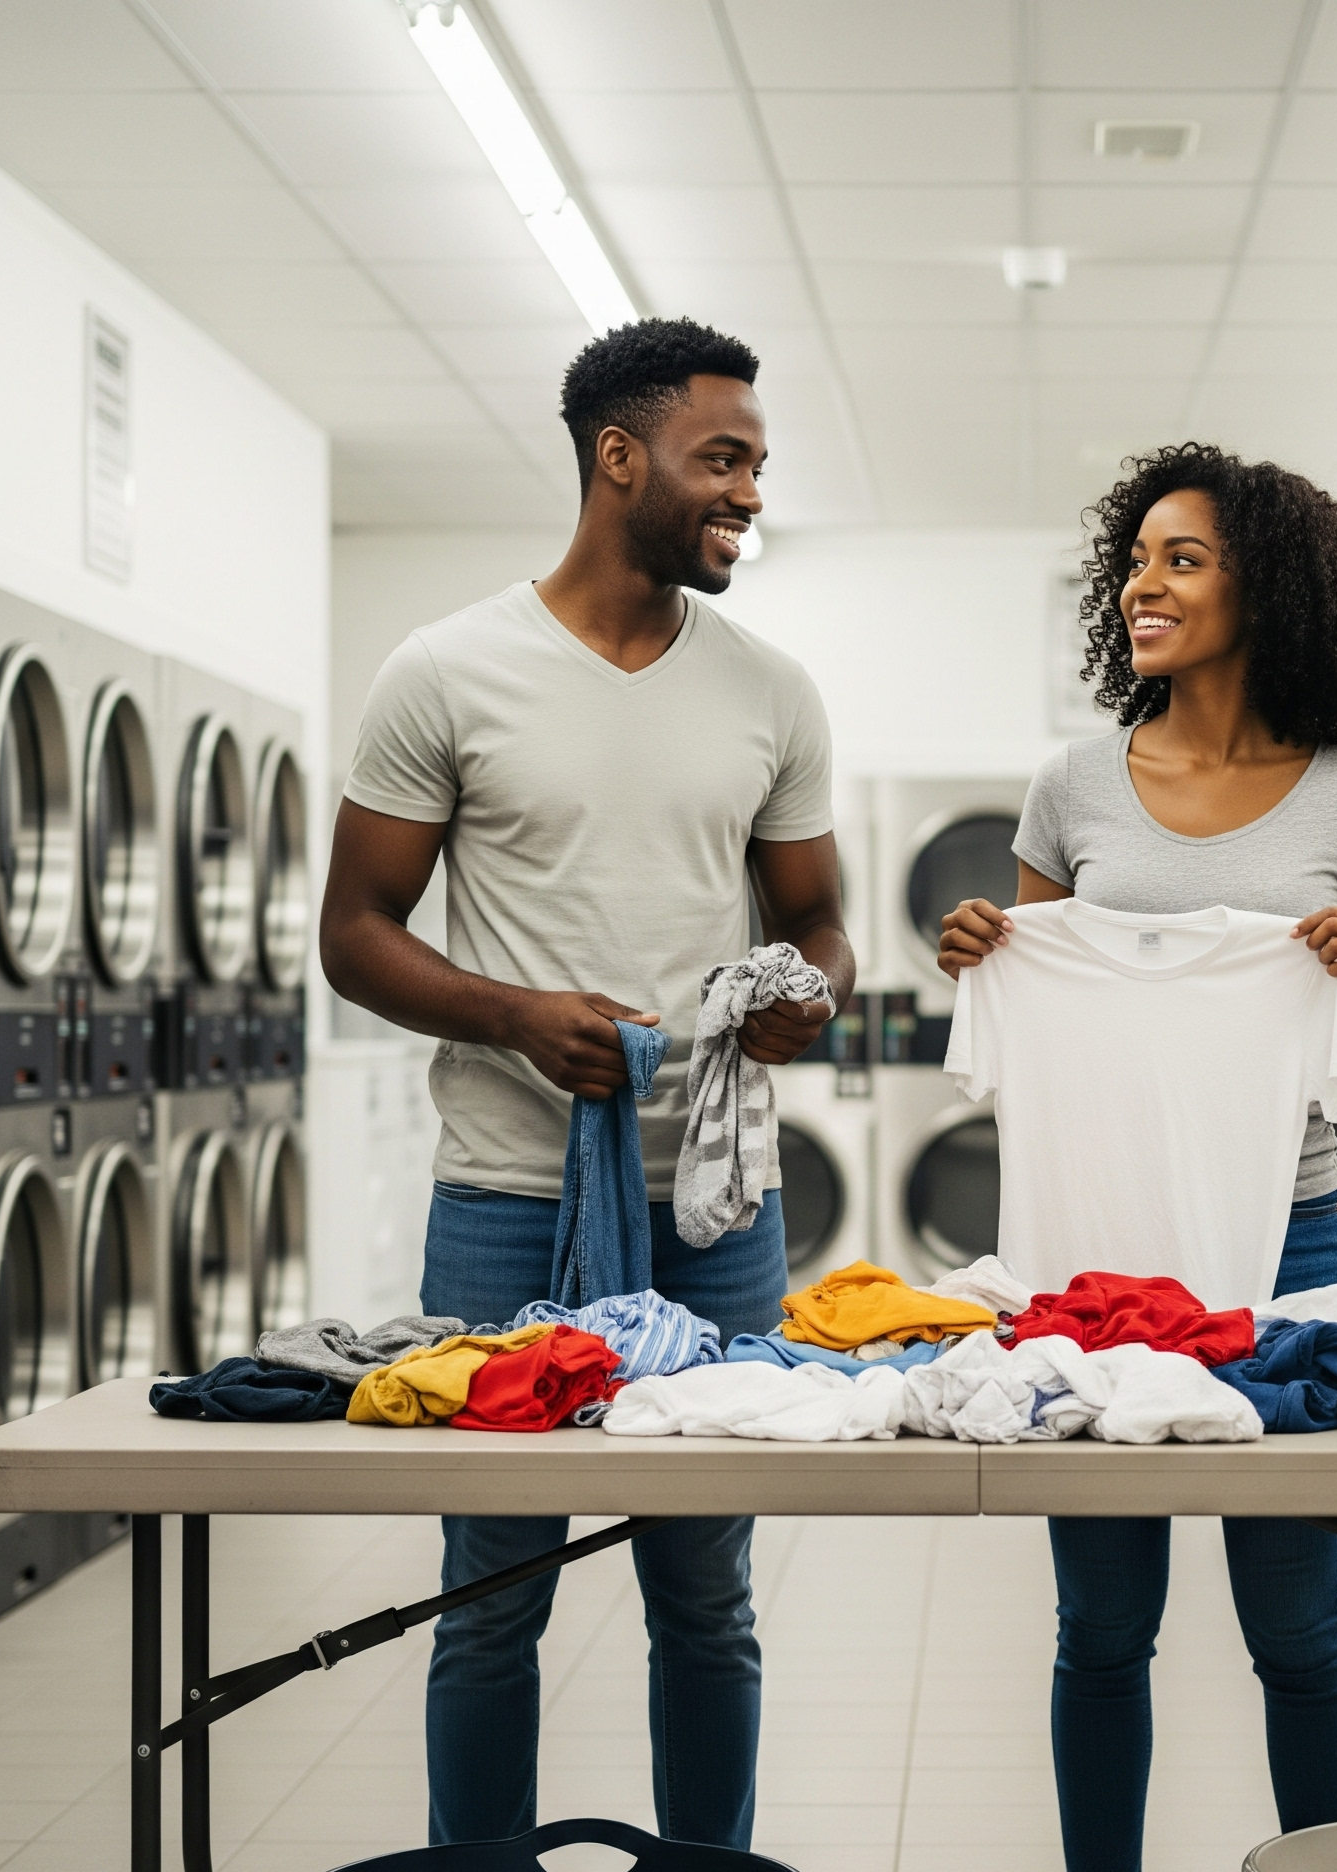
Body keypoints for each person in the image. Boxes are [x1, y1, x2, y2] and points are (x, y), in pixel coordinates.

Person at [320, 317, 853, 1849]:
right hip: (506, 1206)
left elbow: (818, 920)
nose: (750, 491)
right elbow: (355, 936)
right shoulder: (445, 672)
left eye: (758, 461)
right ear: (620, 458)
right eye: (723, 458)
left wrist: (809, 987)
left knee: (710, 1603)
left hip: (711, 1213)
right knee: (493, 1598)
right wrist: (510, 1016)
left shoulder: (771, 690)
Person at [936, 442, 1337, 1870]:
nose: (1141, 584)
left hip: (1295, 1249)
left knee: (1299, 1625)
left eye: (1181, 559)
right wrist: (982, 951)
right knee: (1101, 1627)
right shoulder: (1073, 789)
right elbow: (1035, 989)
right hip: (1095, 1263)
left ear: (1265, 587)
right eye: (1136, 560)